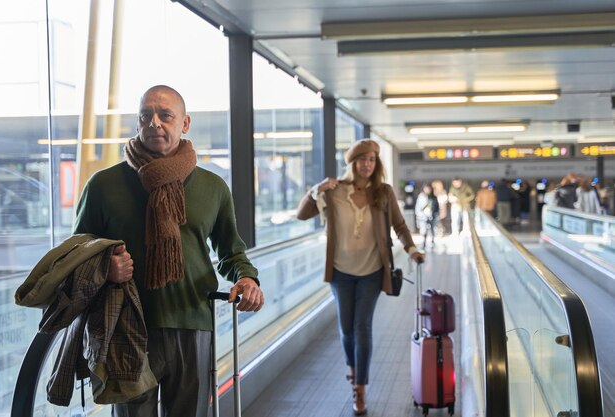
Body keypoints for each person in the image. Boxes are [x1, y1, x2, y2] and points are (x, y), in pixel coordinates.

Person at [73, 85, 264, 417]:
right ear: (137, 123)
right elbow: (76, 255)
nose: (154, 123)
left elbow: (231, 251)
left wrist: (247, 279)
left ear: (185, 123)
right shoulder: (103, 186)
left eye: (165, 115)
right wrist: (105, 267)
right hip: (126, 327)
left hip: (192, 322)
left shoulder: (212, 187)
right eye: (145, 115)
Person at [296, 139, 425, 416]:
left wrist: (412, 249)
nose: (368, 164)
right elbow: (302, 214)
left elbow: (400, 225)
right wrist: (315, 190)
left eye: (372, 160)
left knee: (362, 327)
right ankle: (353, 369)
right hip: (340, 273)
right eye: (362, 159)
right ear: (352, 162)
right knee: (346, 329)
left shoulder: (384, 192)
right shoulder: (334, 191)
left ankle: (360, 390)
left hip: (372, 271)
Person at [414, 183, 439, 249]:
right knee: (423, 230)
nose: (427, 190)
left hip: (432, 216)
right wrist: (419, 214)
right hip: (423, 217)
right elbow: (418, 207)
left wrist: (435, 214)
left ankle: (432, 242)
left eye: (428, 188)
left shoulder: (433, 197)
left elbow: (436, 207)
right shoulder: (421, 197)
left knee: (432, 229)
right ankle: (424, 243)